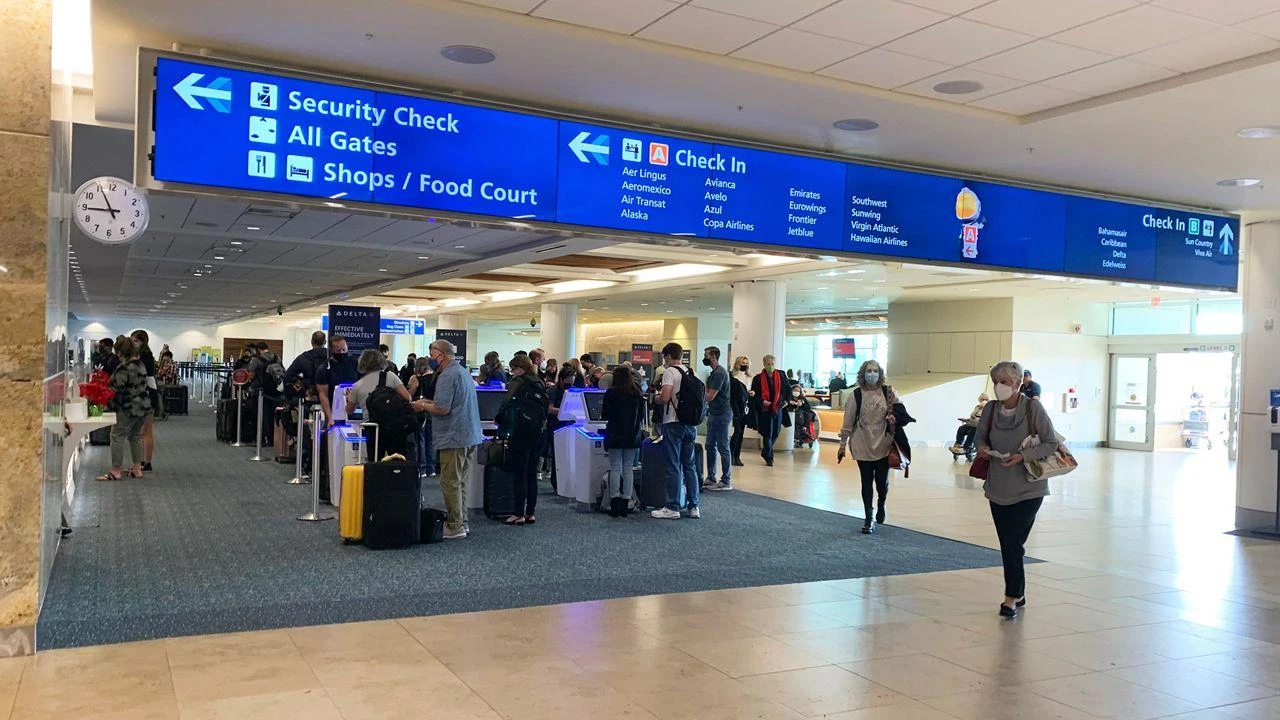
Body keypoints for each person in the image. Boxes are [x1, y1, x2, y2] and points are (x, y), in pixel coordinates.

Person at [976, 361, 1059, 618]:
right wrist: (983, 449)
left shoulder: (1033, 408)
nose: (1000, 386)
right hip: (998, 486)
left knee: (1012, 541)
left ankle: (1010, 597)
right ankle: (1019, 591)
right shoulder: (990, 409)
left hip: (1029, 488)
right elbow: (980, 437)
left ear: (1018, 383)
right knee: (1009, 544)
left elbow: (1050, 442)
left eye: (1005, 382)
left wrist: (1022, 456)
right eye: (996, 381)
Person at [421, 340, 484, 540]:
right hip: (469, 434)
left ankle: (455, 525)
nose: (430, 359)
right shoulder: (463, 373)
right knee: (459, 482)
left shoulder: (447, 376)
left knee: (450, 482)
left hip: (453, 436)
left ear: (441, 355)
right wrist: (428, 403)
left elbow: (442, 409)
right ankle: (462, 521)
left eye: (432, 355)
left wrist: (421, 406)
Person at [837, 360, 897, 535]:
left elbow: (901, 413)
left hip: (883, 443)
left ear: (880, 373)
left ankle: (881, 503)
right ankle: (868, 517)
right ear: (863, 374)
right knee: (866, 482)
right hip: (861, 443)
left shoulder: (889, 393)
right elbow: (847, 422)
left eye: (875, 371)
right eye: (869, 371)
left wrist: (894, 419)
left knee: (881, 481)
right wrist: (842, 445)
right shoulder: (856, 395)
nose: (872, 374)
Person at [651, 342, 701, 520]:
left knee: (673, 465)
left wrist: (655, 398)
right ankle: (694, 505)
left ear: (668, 356)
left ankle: (672, 506)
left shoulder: (670, 372)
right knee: (690, 465)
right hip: (690, 424)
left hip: (673, 423)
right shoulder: (690, 371)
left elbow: (665, 398)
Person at [497, 355, 548, 525]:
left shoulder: (517, 382)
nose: (512, 372)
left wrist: (499, 420)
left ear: (519, 369)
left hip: (520, 432)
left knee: (519, 473)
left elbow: (505, 403)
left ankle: (518, 513)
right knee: (532, 473)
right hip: (538, 432)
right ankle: (530, 513)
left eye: (513, 369)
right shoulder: (539, 382)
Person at [344, 348, 420, 462]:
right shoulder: (391, 376)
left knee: (375, 462)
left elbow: (349, 410)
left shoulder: (357, 385)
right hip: (396, 426)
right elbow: (408, 398)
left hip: (373, 427)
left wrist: (347, 398)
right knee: (398, 461)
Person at [98, 337, 151, 482]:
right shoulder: (141, 365)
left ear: (121, 352)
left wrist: (107, 404)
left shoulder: (124, 368)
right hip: (143, 407)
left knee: (116, 436)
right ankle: (137, 469)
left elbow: (117, 389)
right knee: (135, 437)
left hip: (127, 407)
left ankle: (115, 471)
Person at [602, 365, 645, 517]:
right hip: (632, 435)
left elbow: (605, 414)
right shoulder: (637, 393)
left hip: (614, 433)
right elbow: (640, 417)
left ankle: (614, 502)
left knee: (615, 467)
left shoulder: (611, 393)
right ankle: (627, 502)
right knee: (628, 468)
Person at [702, 346, 732, 491]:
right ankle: (711, 477)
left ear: (713, 356)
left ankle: (726, 480)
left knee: (723, 447)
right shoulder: (714, 373)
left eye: (706, 355)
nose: (705, 357)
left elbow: (710, 395)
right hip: (714, 413)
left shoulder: (720, 373)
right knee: (710, 446)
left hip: (722, 413)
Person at [315, 336, 360, 430]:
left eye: (344, 349)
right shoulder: (324, 369)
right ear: (332, 350)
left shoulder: (355, 363)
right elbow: (323, 395)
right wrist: (330, 417)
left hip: (356, 410)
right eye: (338, 350)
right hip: (335, 410)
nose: (342, 352)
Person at [544, 365, 578, 491]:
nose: (570, 384)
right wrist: (564, 411)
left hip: (570, 427)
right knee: (557, 456)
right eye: (568, 380)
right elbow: (549, 408)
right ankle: (556, 483)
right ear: (562, 379)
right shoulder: (553, 391)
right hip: (556, 427)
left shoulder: (574, 390)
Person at [750, 355, 787, 467]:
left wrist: (786, 400)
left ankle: (765, 451)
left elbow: (787, 389)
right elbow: (755, 394)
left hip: (777, 407)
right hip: (765, 409)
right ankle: (769, 457)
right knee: (767, 433)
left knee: (776, 431)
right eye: (768, 364)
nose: (770, 366)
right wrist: (762, 401)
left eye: (772, 364)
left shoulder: (781, 375)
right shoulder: (757, 378)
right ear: (764, 364)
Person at [130, 330, 158, 472]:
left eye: (135, 340)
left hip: (147, 394)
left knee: (145, 431)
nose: (133, 343)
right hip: (146, 392)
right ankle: (144, 461)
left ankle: (146, 462)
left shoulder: (145, 357)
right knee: (144, 431)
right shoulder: (144, 356)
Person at [406, 356, 437, 478]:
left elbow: (409, 395)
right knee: (430, 440)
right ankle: (432, 468)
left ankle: (422, 468)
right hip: (433, 410)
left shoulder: (415, 378)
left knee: (420, 440)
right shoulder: (436, 378)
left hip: (420, 411)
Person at [284, 331, 327, 401]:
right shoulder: (332, 357)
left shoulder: (304, 357)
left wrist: (303, 385)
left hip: (309, 396)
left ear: (311, 342)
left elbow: (288, 376)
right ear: (325, 342)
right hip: (329, 397)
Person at [729, 355, 751, 467]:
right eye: (743, 363)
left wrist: (751, 393)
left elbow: (748, 390)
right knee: (737, 431)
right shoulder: (733, 376)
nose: (745, 365)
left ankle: (737, 456)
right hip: (735, 406)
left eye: (746, 363)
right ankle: (731, 454)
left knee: (741, 432)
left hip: (745, 407)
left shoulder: (748, 377)